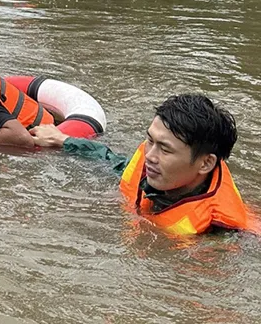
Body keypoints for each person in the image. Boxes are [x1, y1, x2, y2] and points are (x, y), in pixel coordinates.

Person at [31, 94, 258, 235]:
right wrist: (64, 140)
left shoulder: (221, 232)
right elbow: (111, 161)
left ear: (205, 163)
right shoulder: (152, 164)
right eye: (150, 140)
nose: (149, 155)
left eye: (165, 149)